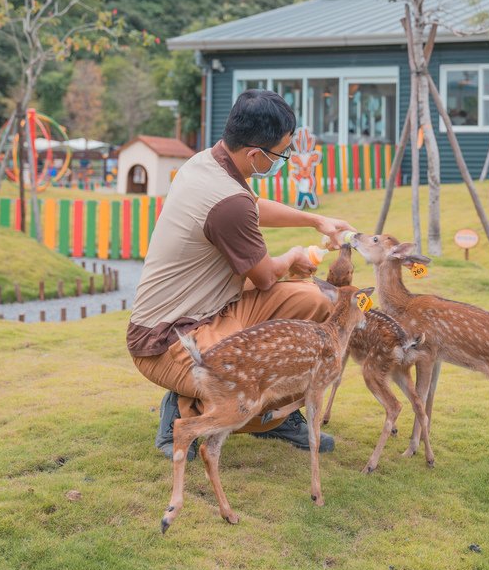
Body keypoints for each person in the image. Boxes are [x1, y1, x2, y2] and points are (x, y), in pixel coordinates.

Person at [128, 90, 355, 460]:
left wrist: (316, 219)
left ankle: (276, 417)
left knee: (318, 301)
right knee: (243, 380)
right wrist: (295, 255)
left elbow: (252, 205)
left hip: (212, 307)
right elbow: (266, 277)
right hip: (166, 338)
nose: (283, 160)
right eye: (281, 154)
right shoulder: (225, 201)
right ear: (255, 153)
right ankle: (185, 407)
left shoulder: (209, 162)